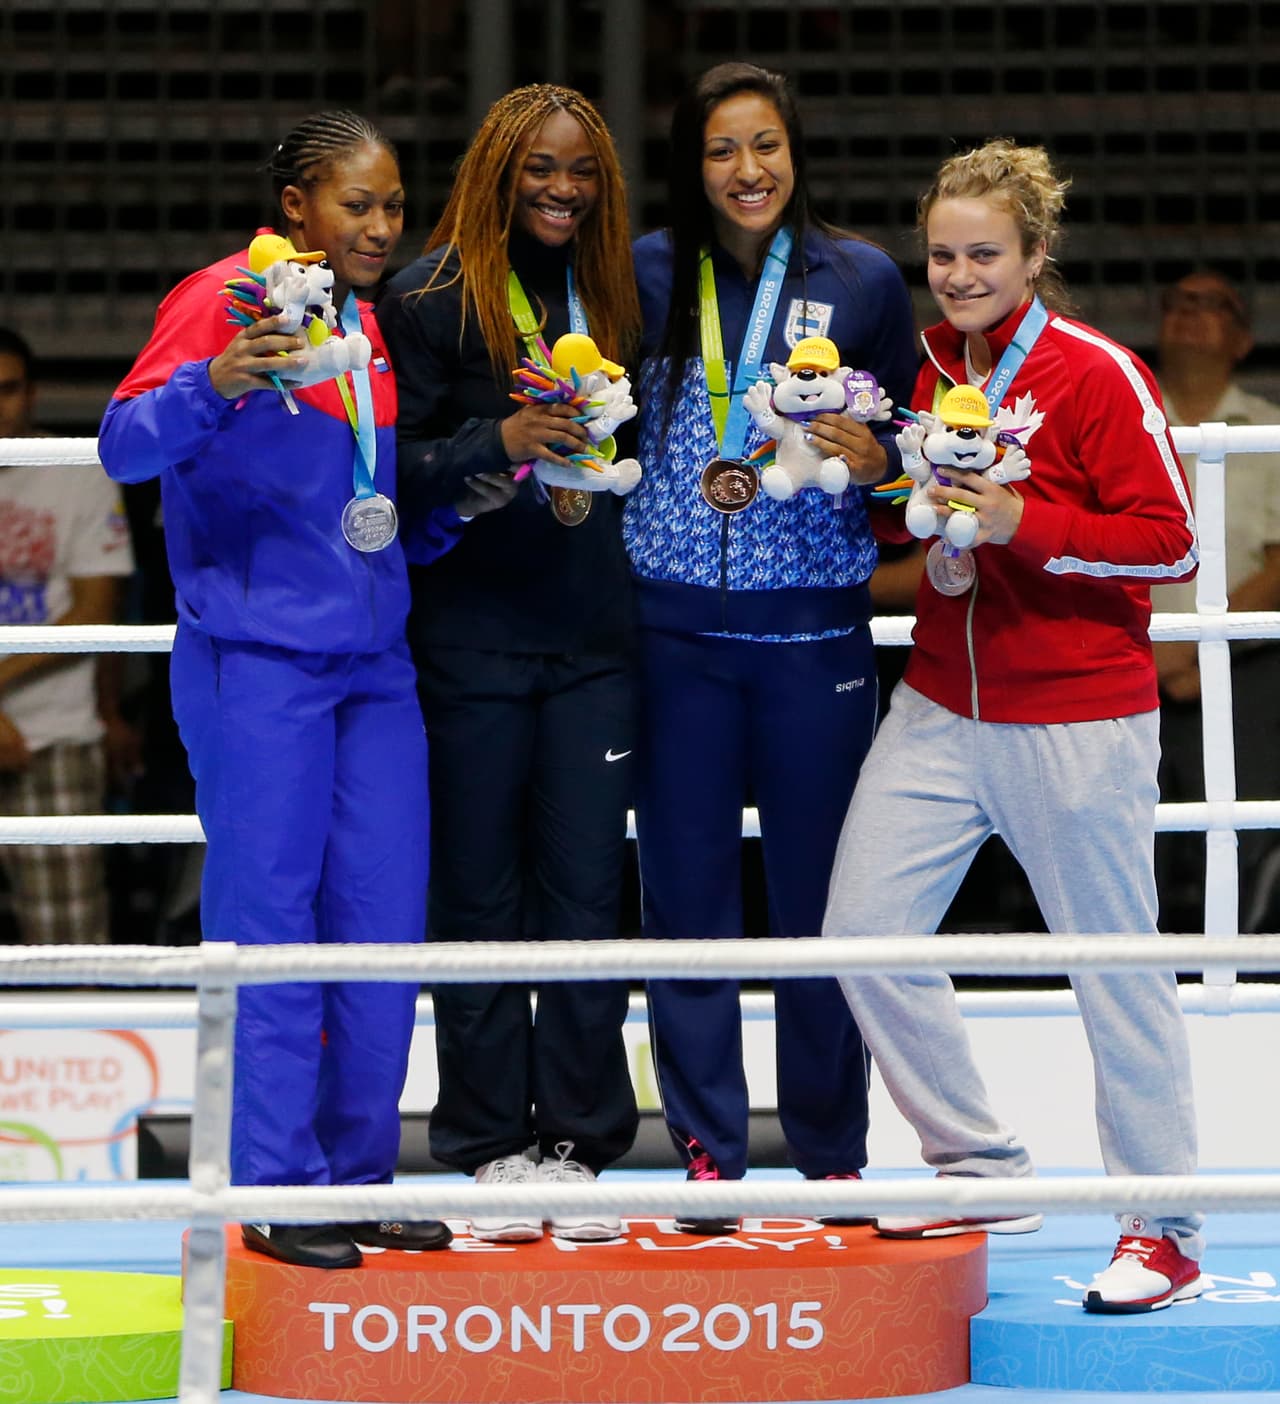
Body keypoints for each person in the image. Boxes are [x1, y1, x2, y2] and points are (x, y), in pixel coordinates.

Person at [98, 110, 513, 1270]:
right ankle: (274, 1189)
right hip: (255, 666)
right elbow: (123, 444)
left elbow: (352, 509)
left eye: (392, 205)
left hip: (373, 666)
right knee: (271, 931)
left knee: (377, 929)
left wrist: (444, 514)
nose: (383, 226)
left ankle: (354, 1177)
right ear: (296, 207)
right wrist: (214, 382)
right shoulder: (220, 298)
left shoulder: (367, 326)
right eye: (357, 205)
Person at [823, 139, 1203, 1314]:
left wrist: (1015, 521)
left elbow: (1173, 542)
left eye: (983, 252)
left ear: (1035, 255)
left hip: (1077, 716)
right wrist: (893, 489)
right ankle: (976, 1165)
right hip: (939, 702)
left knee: (1113, 973)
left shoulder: (1095, 372)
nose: (957, 272)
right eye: (940, 253)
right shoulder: (930, 365)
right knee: (862, 935)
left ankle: (1166, 1230)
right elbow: (930, 521)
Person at [624, 61, 918, 1235]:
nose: (746, 171)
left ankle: (830, 1155)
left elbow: (904, 463)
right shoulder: (642, 272)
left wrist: (878, 459)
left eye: (765, 146)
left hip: (812, 641)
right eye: (719, 151)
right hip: (673, 636)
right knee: (684, 901)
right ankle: (706, 1155)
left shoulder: (863, 279)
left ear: (793, 151)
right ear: (691, 167)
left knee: (821, 906)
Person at [375, 84, 641, 1243]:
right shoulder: (426, 296)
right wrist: (502, 441)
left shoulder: (623, 289)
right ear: (495, 170)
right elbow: (393, 463)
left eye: (579, 170)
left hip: (594, 640)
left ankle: (580, 1143)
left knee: (585, 891)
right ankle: (485, 1142)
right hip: (468, 636)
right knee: (477, 893)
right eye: (538, 167)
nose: (561, 188)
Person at [1148, 269, 1280, 933]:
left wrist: (1199, 645)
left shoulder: (1271, 429)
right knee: (1132, 843)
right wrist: (1159, 652)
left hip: (1244, 663)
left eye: (1214, 305)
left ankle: (1236, 980)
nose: (1191, 313)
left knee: (1241, 838)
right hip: (1127, 660)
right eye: (1179, 300)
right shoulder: (1126, 420)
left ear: (1245, 339)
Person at [0, 326, 135, 945]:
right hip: (37, 724)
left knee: (71, 956)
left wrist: (109, 713)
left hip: (51, 736)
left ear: (33, 393)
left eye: (7, 390)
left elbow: (96, 613)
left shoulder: (77, 466)